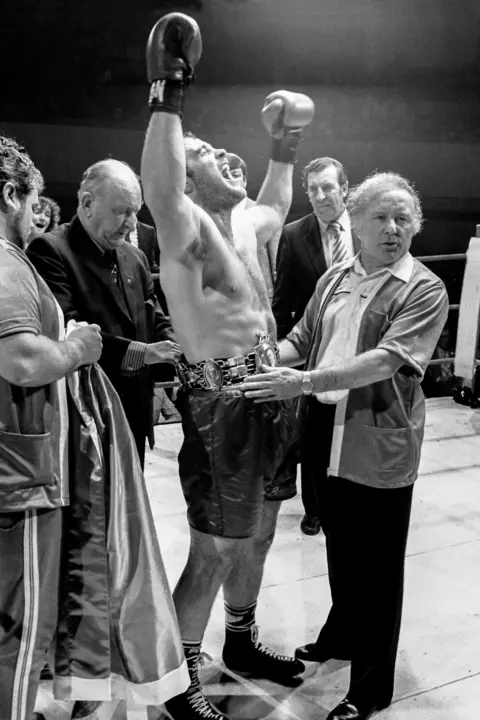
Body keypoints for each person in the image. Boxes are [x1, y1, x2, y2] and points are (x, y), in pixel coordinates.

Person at [141, 12, 315, 720]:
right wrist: (168, 95)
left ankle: (239, 641)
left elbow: (275, 198)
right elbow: (162, 185)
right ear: (190, 171)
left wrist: (284, 143)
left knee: (265, 527)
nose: (225, 156)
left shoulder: (245, 222)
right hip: (222, 404)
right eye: (207, 152)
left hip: (272, 392)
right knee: (214, 546)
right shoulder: (186, 228)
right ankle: (184, 681)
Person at [242, 171, 449, 720]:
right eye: (380, 217)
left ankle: (370, 689)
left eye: (403, 217)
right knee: (338, 545)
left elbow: (387, 359)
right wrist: (270, 360)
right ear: (354, 223)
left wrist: (304, 382)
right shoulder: (336, 278)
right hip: (322, 435)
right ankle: (341, 635)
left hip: (375, 442)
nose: (392, 228)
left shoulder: (424, 288)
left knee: (378, 567)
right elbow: (304, 338)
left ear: (416, 226)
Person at [0, 134, 102, 720]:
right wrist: (77, 348)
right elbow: (23, 361)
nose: (37, 215)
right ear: (11, 193)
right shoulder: (8, 262)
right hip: (20, 480)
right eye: (33, 200)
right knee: (20, 634)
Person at [27, 159, 181, 468]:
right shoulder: (50, 250)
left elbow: (155, 317)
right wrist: (145, 353)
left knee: (129, 512)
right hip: (86, 411)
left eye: (135, 212)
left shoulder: (135, 256)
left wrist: (177, 347)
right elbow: (67, 331)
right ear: (86, 203)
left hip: (135, 409)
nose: (132, 224)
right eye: (122, 212)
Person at [272, 156, 359, 536]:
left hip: (362, 340)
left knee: (357, 423)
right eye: (313, 189)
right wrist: (278, 350)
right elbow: (283, 298)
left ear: (344, 188)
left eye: (328, 187)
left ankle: (353, 497)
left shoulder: (367, 226)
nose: (321, 195)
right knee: (315, 432)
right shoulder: (293, 234)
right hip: (314, 347)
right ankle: (315, 508)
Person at [229, 152, 280, 301]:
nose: (231, 180)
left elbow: (277, 264)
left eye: (235, 175)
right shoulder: (210, 217)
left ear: (244, 180)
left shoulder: (263, 213)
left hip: (262, 297)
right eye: (225, 176)